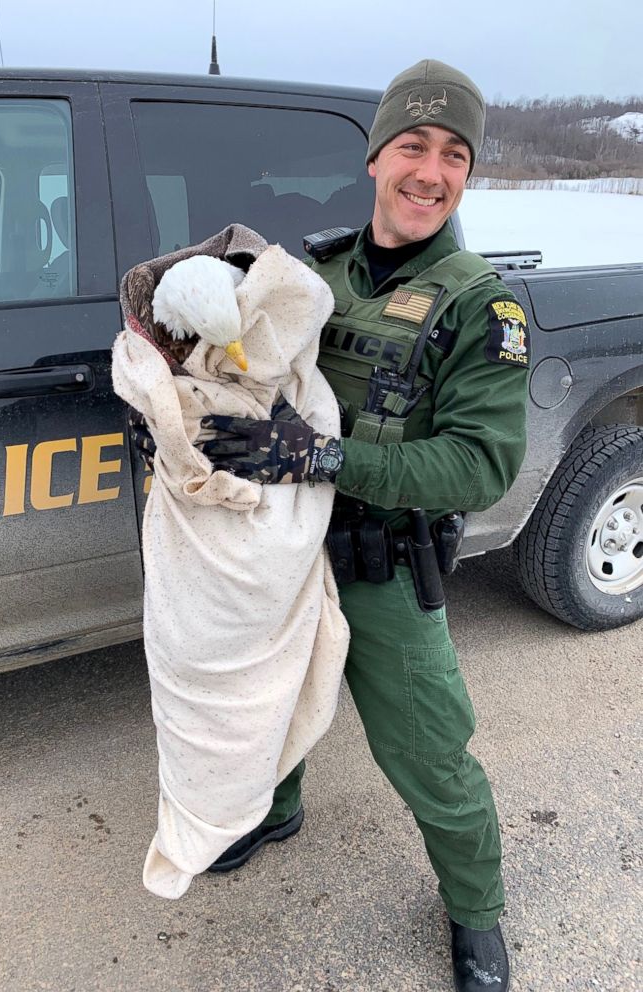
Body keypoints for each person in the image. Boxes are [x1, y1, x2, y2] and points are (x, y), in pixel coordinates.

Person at [132, 59, 529, 992]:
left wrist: (325, 459)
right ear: (376, 157)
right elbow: (239, 366)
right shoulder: (311, 272)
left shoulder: (481, 304)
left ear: (465, 175)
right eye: (413, 147)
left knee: (430, 752)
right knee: (261, 699)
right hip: (277, 550)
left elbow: (482, 463)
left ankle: (477, 913)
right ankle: (274, 809)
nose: (430, 172)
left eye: (453, 156)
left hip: (384, 564)